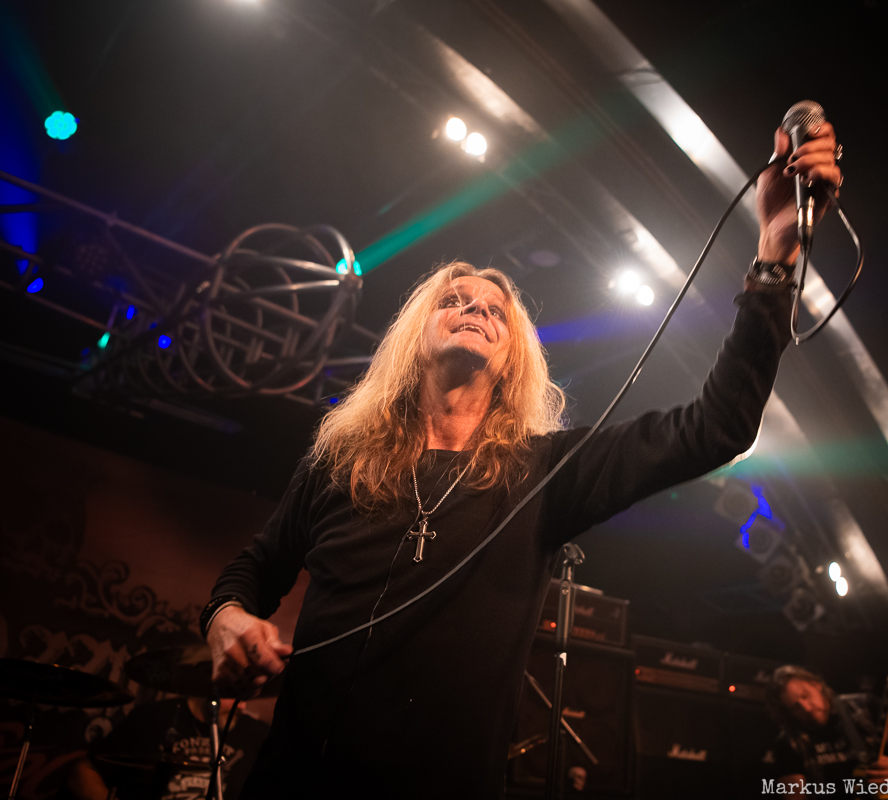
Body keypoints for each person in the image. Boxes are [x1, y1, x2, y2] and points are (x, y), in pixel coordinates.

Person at [201, 122, 844, 799]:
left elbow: (716, 428)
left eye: (496, 312)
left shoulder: (547, 472)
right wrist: (226, 617)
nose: (475, 309)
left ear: (513, 361)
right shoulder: (342, 460)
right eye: (453, 300)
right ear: (415, 337)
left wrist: (776, 252)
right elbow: (256, 567)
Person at [763, 665, 888, 798]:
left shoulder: (865, 706)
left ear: (816, 685)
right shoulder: (788, 742)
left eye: (805, 696)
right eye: (795, 707)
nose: (806, 708)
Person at [67, 697, 269, 800]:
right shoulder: (152, 717)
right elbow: (82, 772)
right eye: (233, 694)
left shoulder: (258, 734)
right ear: (208, 681)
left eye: (244, 697)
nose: (242, 706)